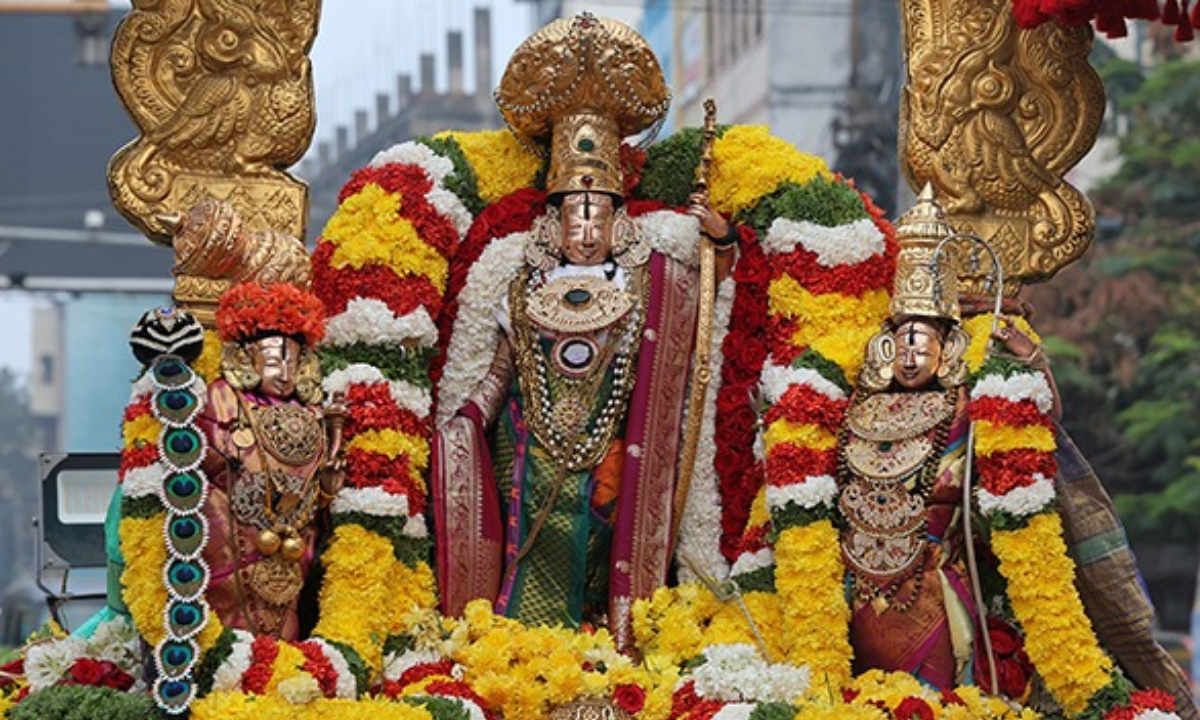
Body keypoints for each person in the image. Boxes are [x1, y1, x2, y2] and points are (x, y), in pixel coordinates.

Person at [431, 13, 736, 647]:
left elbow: (703, 295)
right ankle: (521, 646)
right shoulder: (520, 284)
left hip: (608, 450)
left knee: (601, 540)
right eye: (575, 213)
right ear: (552, 222)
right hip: (528, 444)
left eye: (599, 213)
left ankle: (596, 641)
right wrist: (469, 418)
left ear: (620, 220)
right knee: (527, 541)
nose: (587, 227)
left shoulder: (646, 281)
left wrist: (719, 241)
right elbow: (501, 369)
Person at [839, 191, 1047, 688]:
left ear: (946, 350)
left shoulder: (964, 403)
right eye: (902, 344)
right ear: (885, 349)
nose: (910, 358)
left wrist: (1029, 363)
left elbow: (1036, 419)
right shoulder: (857, 404)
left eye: (922, 345)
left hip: (933, 591)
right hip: (855, 593)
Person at [196, 281, 344, 640]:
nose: (285, 375)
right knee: (232, 618)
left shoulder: (311, 411)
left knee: (286, 620)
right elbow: (213, 460)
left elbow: (315, 492)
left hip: (292, 541)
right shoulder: (224, 397)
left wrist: (325, 485)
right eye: (274, 363)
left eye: (293, 363)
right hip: (236, 534)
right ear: (247, 360)